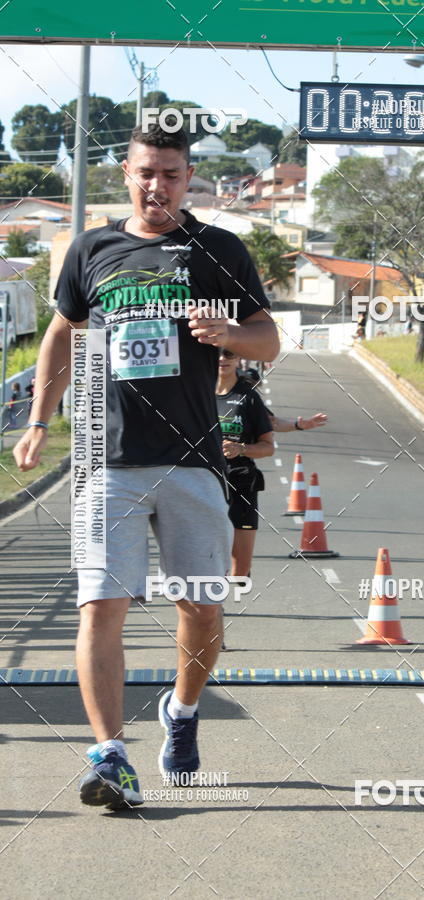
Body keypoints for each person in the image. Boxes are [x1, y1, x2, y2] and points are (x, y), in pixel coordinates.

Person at [13, 123, 279, 809]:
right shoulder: (91, 248)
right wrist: (40, 420)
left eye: (170, 174)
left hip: (193, 460)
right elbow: (61, 333)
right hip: (107, 459)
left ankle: (182, 711)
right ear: (126, 175)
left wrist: (232, 334)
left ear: (188, 179)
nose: (157, 185)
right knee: (101, 604)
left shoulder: (219, 250)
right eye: (145, 172)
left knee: (201, 607)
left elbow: (268, 339)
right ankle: (110, 755)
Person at [216, 348, 274, 578]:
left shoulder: (248, 397)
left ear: (238, 358)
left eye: (229, 354)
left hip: (241, 481)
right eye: (216, 354)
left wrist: (241, 448)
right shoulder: (196, 395)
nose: (222, 359)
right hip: (205, 482)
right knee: (206, 559)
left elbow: (268, 447)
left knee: (240, 573)